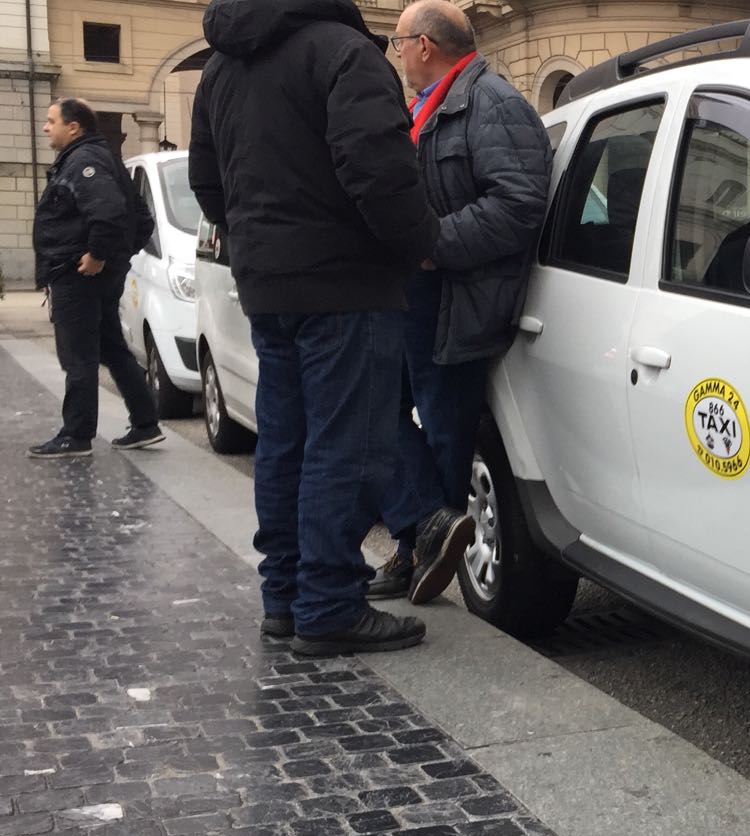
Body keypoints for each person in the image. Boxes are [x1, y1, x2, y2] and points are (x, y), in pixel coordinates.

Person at [189, 0, 439, 655]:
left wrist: (257, 238)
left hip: (267, 283)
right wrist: (418, 243)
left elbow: (206, 182)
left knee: (285, 440)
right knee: (346, 445)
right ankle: (328, 603)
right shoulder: (344, 52)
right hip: (345, 282)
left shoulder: (220, 67)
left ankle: (285, 598)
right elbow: (381, 171)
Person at [368, 0, 551, 605]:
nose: (397, 57)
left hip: (456, 295)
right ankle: (423, 530)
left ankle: (418, 550)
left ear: (425, 45)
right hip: (412, 291)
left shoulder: (493, 102)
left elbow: (520, 203)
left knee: (446, 431)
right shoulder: (428, 105)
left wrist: (434, 246)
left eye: (399, 44)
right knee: (374, 409)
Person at [28, 98, 164, 459]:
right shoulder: (100, 158)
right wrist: (117, 260)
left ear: (73, 127)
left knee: (79, 355)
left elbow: (108, 213)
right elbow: (140, 218)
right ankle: (146, 423)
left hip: (78, 275)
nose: (45, 128)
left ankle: (77, 434)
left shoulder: (84, 162)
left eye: (50, 121)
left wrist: (100, 257)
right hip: (92, 274)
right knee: (110, 347)